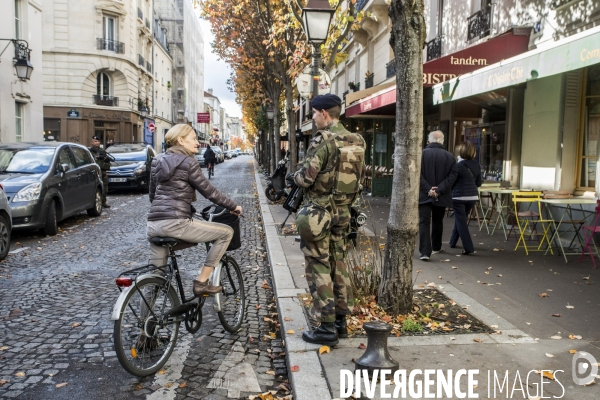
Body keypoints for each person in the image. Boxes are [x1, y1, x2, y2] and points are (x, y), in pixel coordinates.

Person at [294, 93, 366, 346]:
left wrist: (296, 176)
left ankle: (326, 327)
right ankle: (341, 322)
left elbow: (305, 178)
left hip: (320, 213)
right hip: (344, 211)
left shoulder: (323, 141)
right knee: (339, 260)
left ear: (324, 113)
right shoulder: (357, 140)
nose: (313, 118)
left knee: (319, 265)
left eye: (314, 113)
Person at [147, 124, 242, 295]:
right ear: (181, 140)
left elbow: (153, 196)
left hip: (154, 225)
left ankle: (147, 320)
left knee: (154, 281)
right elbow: (210, 192)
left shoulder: (157, 161)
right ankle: (201, 282)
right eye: (193, 139)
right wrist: (233, 206)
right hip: (177, 224)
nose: (197, 143)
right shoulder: (188, 163)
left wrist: (184, 208)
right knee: (226, 232)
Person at [419, 130, 457, 260]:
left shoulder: (421, 154)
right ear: (442, 141)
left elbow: (417, 174)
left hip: (424, 194)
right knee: (437, 221)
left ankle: (425, 251)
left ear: (428, 141)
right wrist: (439, 189)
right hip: (441, 194)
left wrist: (428, 189)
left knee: (424, 221)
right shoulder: (450, 156)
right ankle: (436, 246)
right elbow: (452, 176)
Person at [449, 141, 482, 255]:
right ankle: (452, 242)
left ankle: (468, 247)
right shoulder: (476, 165)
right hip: (472, 197)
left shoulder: (457, 166)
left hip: (458, 197)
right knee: (461, 219)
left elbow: (451, 181)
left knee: (461, 221)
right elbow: (478, 183)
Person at [89, 136, 112, 208]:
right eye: (95, 141)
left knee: (105, 188)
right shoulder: (90, 151)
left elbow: (108, 163)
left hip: (103, 172)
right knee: (95, 188)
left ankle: (103, 201)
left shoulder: (102, 151)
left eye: (98, 141)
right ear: (92, 142)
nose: (97, 143)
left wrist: (106, 162)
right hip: (95, 173)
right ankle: (95, 203)